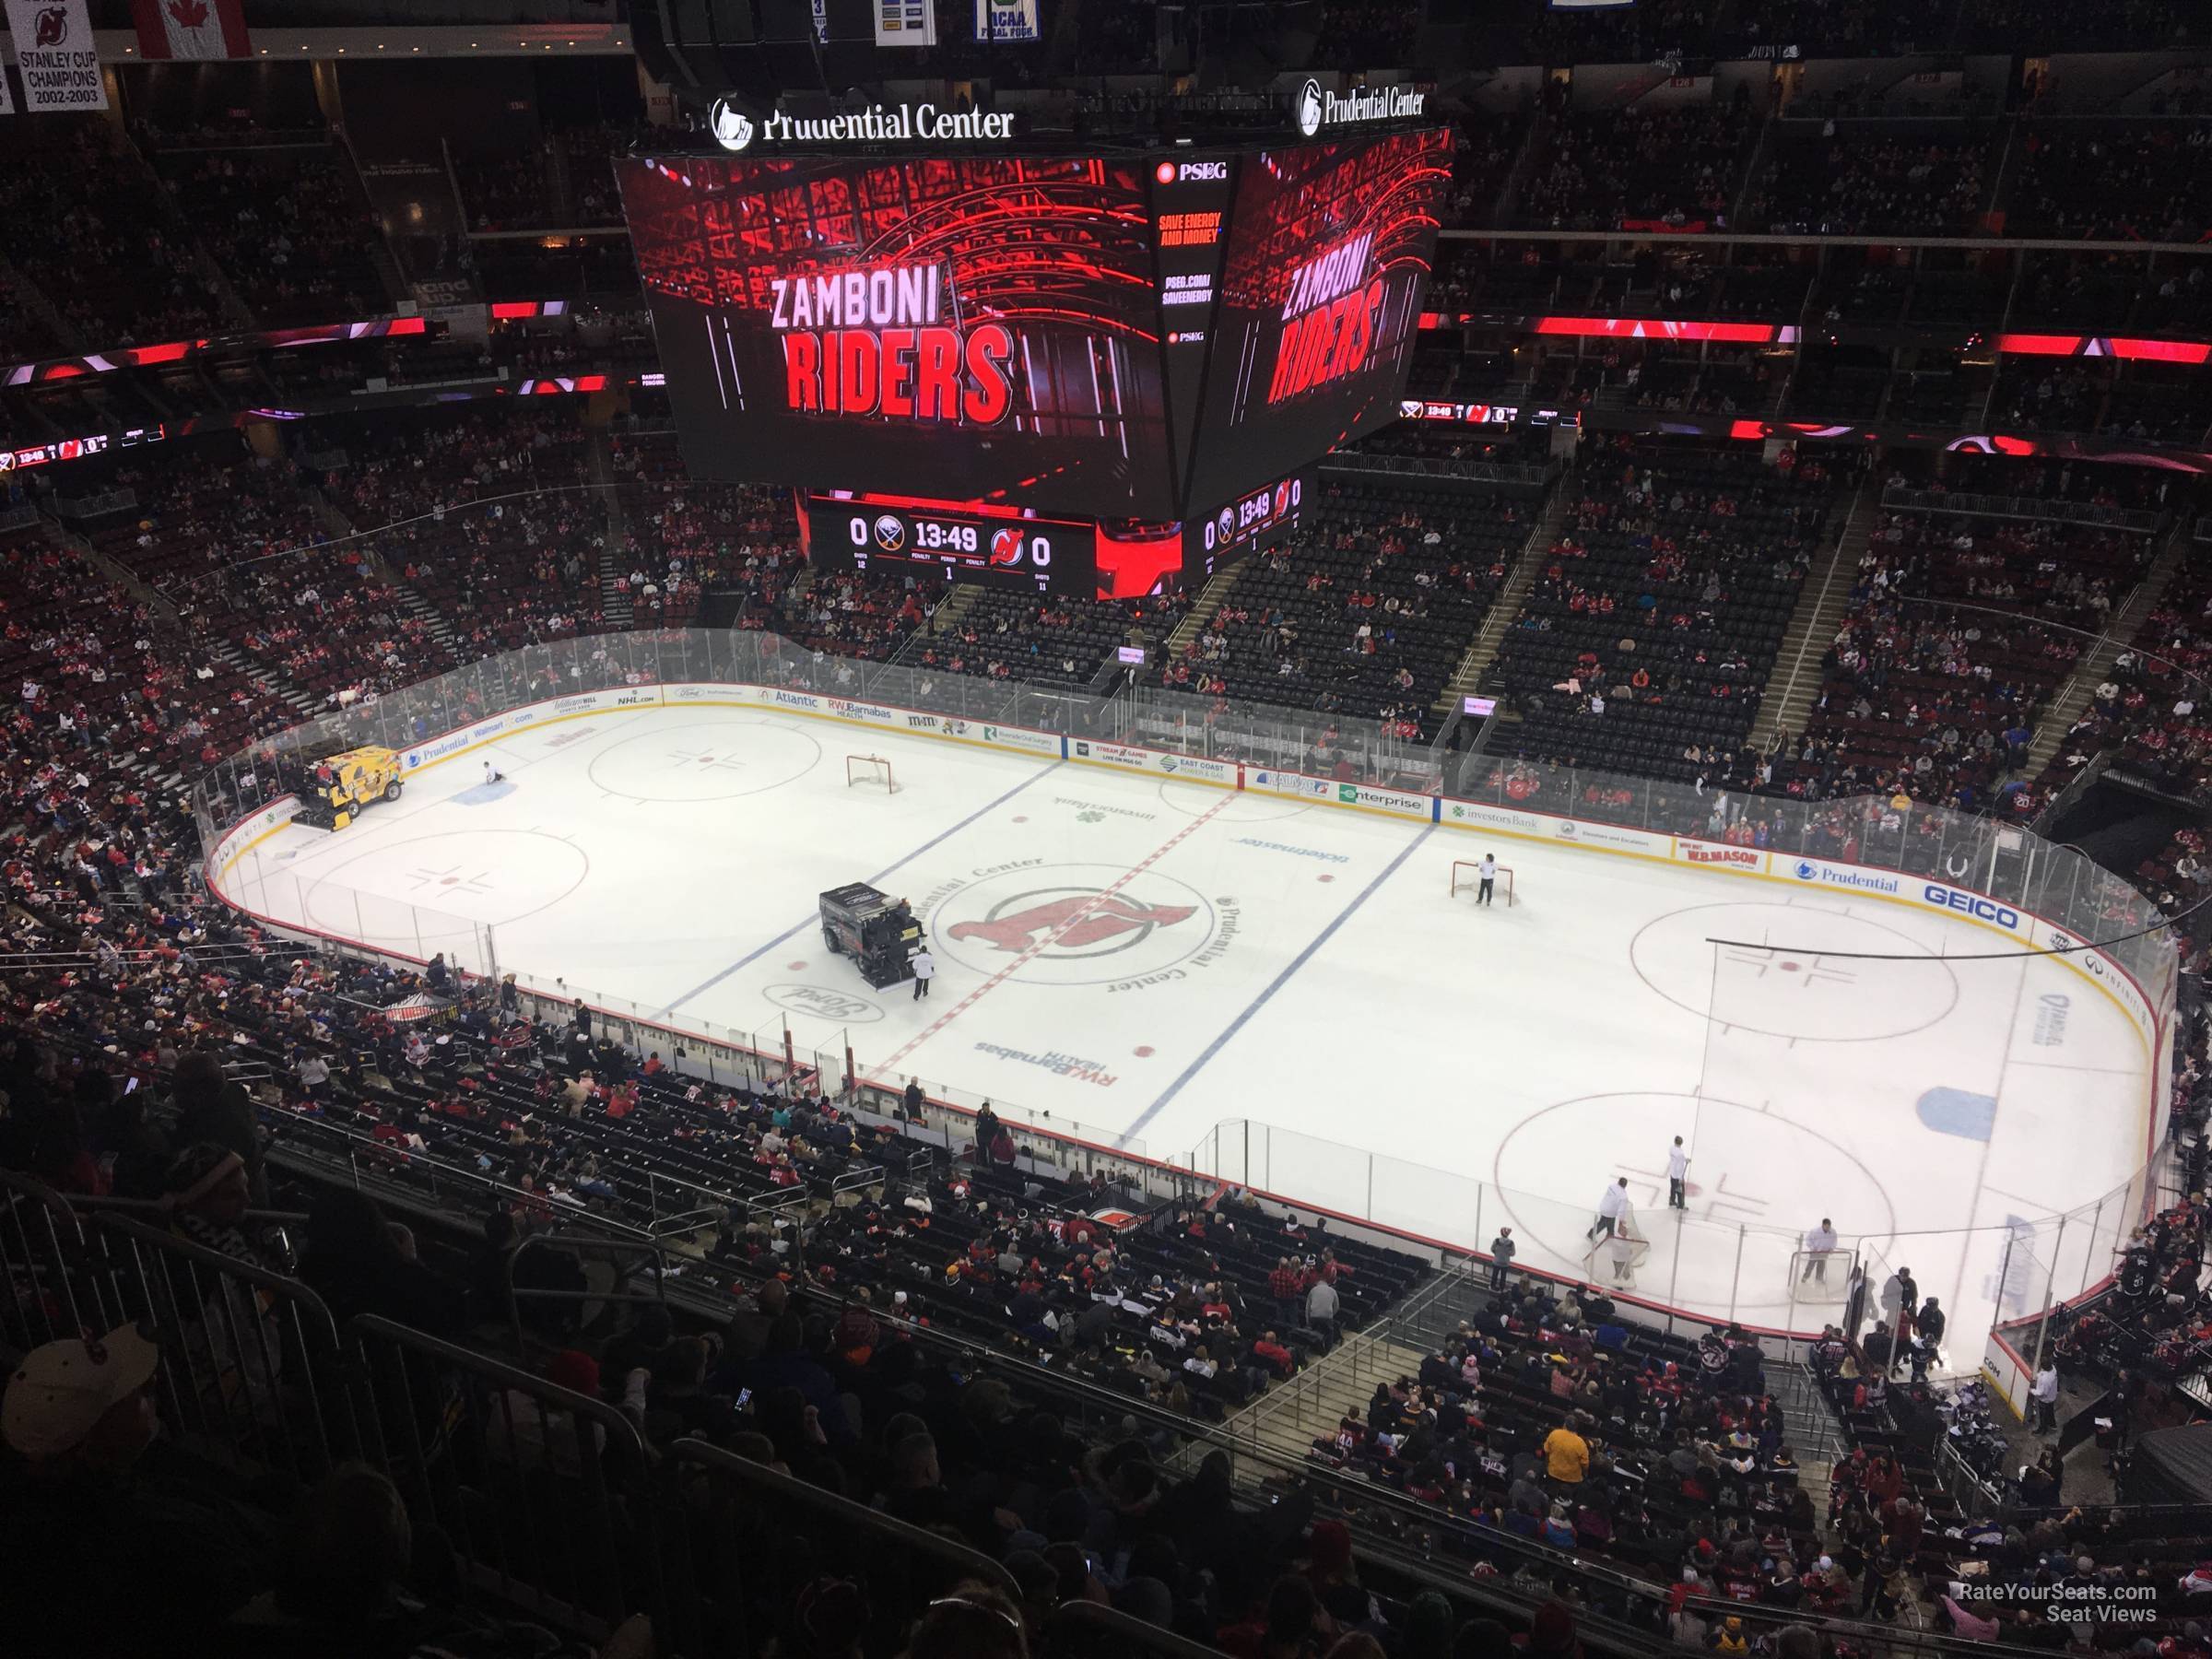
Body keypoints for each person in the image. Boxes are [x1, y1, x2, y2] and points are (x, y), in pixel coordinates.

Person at [1587, 1176, 1630, 1242]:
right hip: (1610, 1212)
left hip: (1604, 1206)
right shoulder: (1623, 1196)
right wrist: (1622, 1219)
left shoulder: (1611, 1186)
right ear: (1625, 1185)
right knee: (1603, 1224)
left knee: (1611, 1222)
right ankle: (1591, 1234)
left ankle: (1610, 1235)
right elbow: (1621, 1210)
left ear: (1618, 1182)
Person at [1802, 1218, 1838, 1286]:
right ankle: (1805, 1277)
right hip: (1815, 1252)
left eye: (1829, 1227)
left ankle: (1818, 1280)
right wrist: (1812, 1248)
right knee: (1810, 1267)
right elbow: (1808, 1240)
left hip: (1824, 1253)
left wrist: (1832, 1248)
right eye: (1826, 1227)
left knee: (1821, 1267)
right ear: (1823, 1225)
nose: (1827, 1228)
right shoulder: (1815, 1231)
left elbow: (1834, 1241)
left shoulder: (1833, 1232)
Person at [2031, 1358, 2061, 1433]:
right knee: (2050, 1412)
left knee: (2043, 1416)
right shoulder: (2053, 1369)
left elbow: (2042, 1393)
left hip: (2045, 1400)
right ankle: (2052, 1425)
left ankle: (2042, 1430)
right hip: (2052, 1396)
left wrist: (2031, 1390)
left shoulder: (2046, 1379)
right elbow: (2042, 1373)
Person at [1489, 1225, 1516, 1289]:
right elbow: (1513, 1253)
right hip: (1505, 1263)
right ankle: (1502, 1288)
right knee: (1503, 1277)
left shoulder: (1497, 1241)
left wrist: (1497, 1253)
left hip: (1496, 1262)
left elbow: (1492, 1249)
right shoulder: (1511, 1243)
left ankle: (1492, 1287)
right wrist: (1507, 1254)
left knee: (1494, 1275)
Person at [1666, 1135, 1688, 1209]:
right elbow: (1680, 1166)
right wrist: (1680, 1178)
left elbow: (1677, 1159)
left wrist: (1685, 1159)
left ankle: (1672, 1200)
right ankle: (1681, 1205)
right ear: (1681, 1143)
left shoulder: (1671, 1148)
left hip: (1672, 1173)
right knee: (1680, 1191)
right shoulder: (1680, 1153)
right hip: (1678, 1175)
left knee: (1673, 1187)